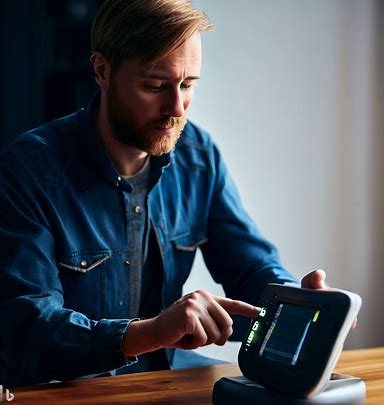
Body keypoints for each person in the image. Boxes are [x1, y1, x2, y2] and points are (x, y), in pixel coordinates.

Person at [0, 0, 326, 388]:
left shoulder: (198, 157)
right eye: (155, 86)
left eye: (188, 85)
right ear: (102, 71)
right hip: (59, 392)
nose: (176, 108)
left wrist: (299, 303)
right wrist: (151, 332)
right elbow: (27, 328)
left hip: (161, 383)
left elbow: (250, 268)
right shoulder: (27, 170)